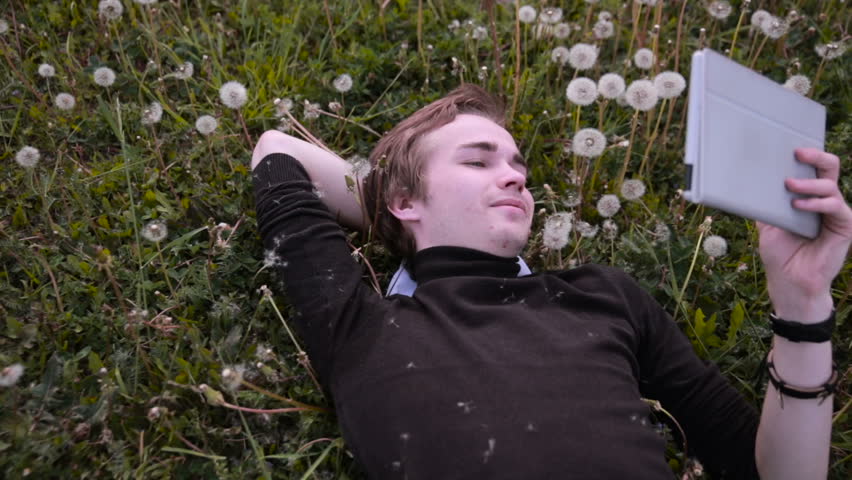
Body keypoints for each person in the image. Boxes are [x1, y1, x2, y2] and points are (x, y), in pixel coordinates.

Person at [251, 84, 849, 479]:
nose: (515, 178)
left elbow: (774, 473)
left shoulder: (604, 296)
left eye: (518, 166)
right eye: (478, 161)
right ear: (403, 199)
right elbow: (279, 151)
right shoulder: (361, 325)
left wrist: (803, 302)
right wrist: (395, 208)